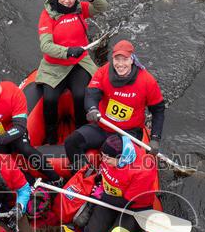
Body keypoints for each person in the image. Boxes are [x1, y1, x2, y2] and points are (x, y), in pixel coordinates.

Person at [27, 0, 109, 145]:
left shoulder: (80, 8)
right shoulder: (48, 15)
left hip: (79, 63)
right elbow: (46, 46)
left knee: (80, 95)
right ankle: (51, 134)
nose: (67, 0)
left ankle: (81, 131)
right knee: (50, 99)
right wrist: (68, 51)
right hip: (54, 65)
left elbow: (103, 6)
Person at [63, 40, 166, 169]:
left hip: (128, 132)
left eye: (125, 59)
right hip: (102, 127)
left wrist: (155, 138)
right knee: (71, 142)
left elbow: (158, 110)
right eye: (117, 59)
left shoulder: (147, 81)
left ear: (132, 60)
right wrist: (92, 108)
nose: (120, 64)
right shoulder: (103, 72)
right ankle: (84, 172)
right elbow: (91, 93)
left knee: (110, 148)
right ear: (113, 59)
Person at [0, 68, 61, 184]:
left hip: (13, 133)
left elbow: (20, 127)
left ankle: (56, 178)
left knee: (26, 149)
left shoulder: (13, 93)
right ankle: (30, 182)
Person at [78, 134, 157, 232]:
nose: (103, 160)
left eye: (107, 158)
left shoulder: (143, 172)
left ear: (121, 158)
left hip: (134, 208)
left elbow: (125, 203)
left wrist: (101, 196)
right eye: (102, 156)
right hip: (110, 196)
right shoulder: (109, 157)